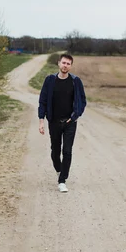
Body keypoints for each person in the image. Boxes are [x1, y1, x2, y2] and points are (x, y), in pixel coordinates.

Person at [38, 53, 86, 193]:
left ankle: (62, 180)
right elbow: (43, 101)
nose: (65, 66)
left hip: (70, 122)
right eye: (63, 63)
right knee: (55, 152)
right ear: (59, 63)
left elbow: (82, 101)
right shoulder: (50, 80)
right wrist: (41, 121)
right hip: (53, 121)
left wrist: (76, 115)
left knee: (67, 151)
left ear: (71, 66)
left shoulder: (75, 81)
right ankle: (59, 171)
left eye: (68, 64)